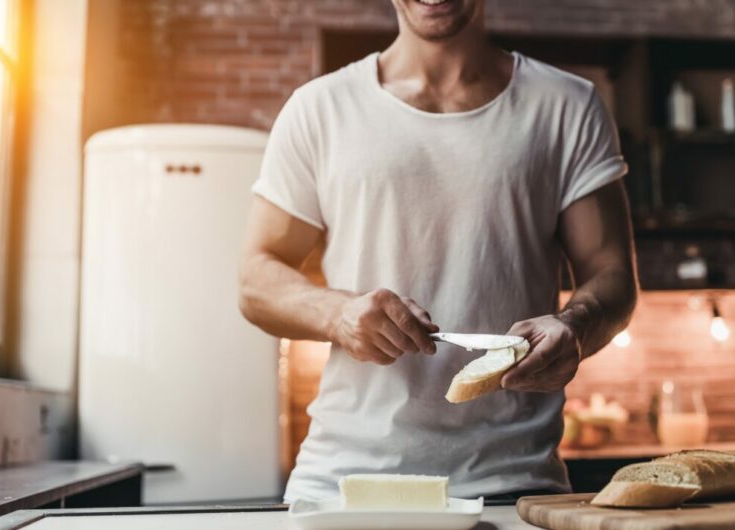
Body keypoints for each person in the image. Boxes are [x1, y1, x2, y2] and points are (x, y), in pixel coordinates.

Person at [238, 0, 638, 502]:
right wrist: (338, 313)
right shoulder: (319, 108)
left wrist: (575, 327)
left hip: (514, 487)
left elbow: (612, 275)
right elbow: (256, 278)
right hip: (347, 487)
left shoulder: (567, 105)